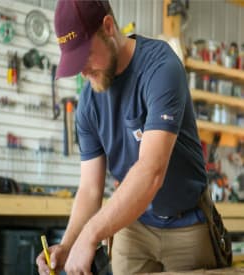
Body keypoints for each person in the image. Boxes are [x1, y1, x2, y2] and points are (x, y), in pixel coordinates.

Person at [37, 0, 218, 274]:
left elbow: (151, 171)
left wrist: (91, 234)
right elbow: (90, 189)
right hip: (132, 227)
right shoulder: (88, 102)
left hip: (187, 226)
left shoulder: (161, 67)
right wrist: (69, 244)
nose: (82, 72)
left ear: (108, 27)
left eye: (84, 56)